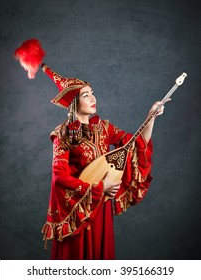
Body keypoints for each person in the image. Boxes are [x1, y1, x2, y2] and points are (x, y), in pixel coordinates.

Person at [40, 63, 166, 260]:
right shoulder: (62, 134)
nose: (93, 98)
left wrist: (151, 117)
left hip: (101, 208)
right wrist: (100, 187)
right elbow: (59, 177)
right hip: (80, 210)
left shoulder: (104, 128)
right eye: (85, 95)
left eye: (92, 93)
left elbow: (135, 143)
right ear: (74, 103)